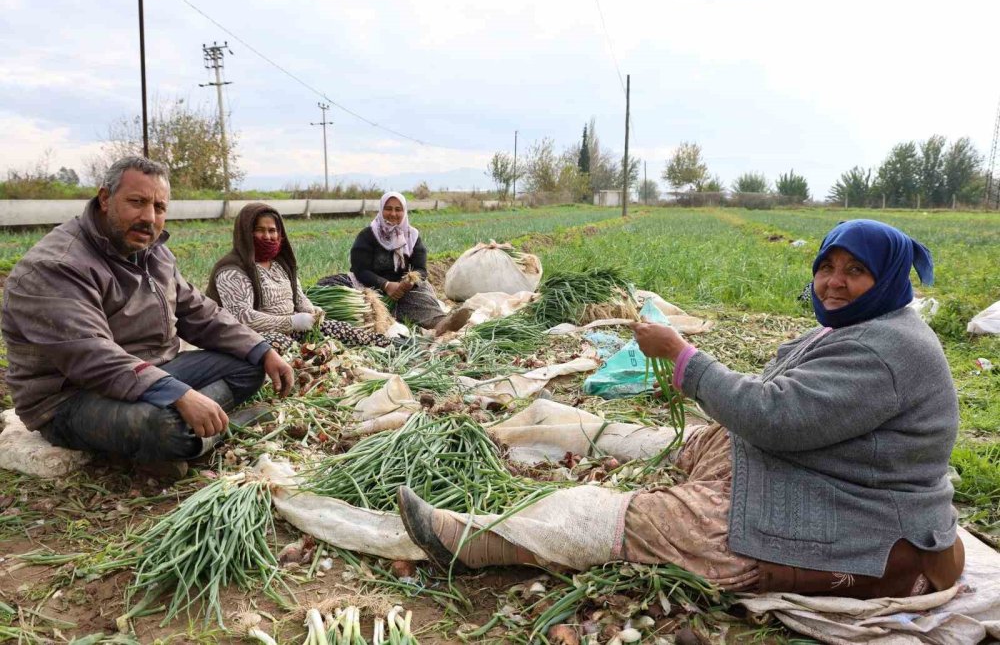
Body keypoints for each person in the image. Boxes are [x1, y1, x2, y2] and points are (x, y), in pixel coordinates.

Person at [397, 219, 964, 599]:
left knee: (657, 521)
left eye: (855, 272)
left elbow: (772, 415)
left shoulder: (885, 350)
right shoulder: (866, 326)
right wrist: (692, 377)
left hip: (865, 524)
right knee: (714, 439)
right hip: (834, 476)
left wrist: (683, 357)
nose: (834, 283)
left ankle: (479, 540)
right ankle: (588, 444)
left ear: (886, 278)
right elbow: (781, 400)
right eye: (827, 266)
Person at [1, 156, 294, 476]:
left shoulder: (153, 252)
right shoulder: (60, 264)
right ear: (104, 199)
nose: (149, 218)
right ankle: (221, 427)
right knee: (165, 427)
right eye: (137, 202)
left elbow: (198, 311)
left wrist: (262, 349)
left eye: (159, 207)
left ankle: (191, 432)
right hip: (71, 398)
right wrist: (178, 393)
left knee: (251, 363)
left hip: (152, 371)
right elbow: (91, 357)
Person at [205, 203, 390, 352]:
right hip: (248, 337)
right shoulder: (233, 270)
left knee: (338, 329)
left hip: (291, 330)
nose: (268, 236)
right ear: (245, 233)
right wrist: (291, 322)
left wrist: (311, 311)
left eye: (273, 230)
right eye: (260, 230)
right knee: (281, 345)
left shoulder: (280, 264)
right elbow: (243, 317)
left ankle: (385, 344)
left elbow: (298, 296)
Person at [345, 192, 471, 335]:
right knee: (370, 308)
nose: (393, 214)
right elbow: (360, 269)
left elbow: (421, 269)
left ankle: (441, 323)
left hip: (404, 290)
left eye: (398, 209)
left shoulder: (412, 235)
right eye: (388, 208)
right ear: (381, 210)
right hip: (372, 288)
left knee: (420, 296)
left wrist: (409, 282)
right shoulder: (367, 235)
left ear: (404, 212)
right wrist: (385, 285)